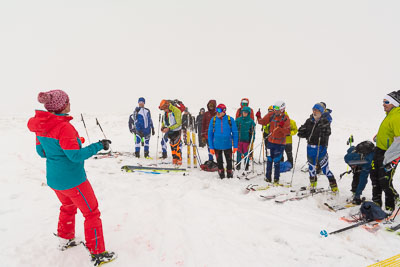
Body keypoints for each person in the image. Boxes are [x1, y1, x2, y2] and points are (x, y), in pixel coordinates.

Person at [27, 90, 116, 265]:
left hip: (54, 179)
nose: (70, 104)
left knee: (67, 206)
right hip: (73, 181)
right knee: (91, 213)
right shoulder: (64, 126)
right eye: (68, 101)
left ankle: (65, 238)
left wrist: (74, 143)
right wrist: (98, 145)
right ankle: (98, 252)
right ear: (61, 105)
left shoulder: (42, 126)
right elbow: (75, 156)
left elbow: (42, 151)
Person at [297, 102, 338, 193]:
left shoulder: (325, 121)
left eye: (317, 110)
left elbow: (328, 133)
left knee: (325, 169)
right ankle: (312, 185)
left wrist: (324, 130)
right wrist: (301, 132)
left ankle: (334, 187)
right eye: (313, 110)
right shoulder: (309, 120)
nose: (315, 112)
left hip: (320, 147)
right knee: (311, 167)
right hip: (310, 147)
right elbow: (305, 131)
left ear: (321, 112)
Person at [370, 91, 400, 211]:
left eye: (386, 102)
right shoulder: (390, 114)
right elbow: (390, 131)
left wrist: (391, 158)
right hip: (379, 150)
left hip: (389, 155)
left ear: (394, 103)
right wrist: (380, 136)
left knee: (385, 181)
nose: (383, 104)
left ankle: (390, 206)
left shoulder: (397, 116)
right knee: (375, 177)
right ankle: (376, 203)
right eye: (383, 102)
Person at [256, 101, 290, 184]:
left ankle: (276, 179)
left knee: (277, 161)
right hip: (270, 142)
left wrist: (281, 127)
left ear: (282, 109)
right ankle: (268, 178)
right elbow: (262, 122)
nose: (275, 110)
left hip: (280, 144)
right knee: (269, 159)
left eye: (277, 108)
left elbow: (287, 132)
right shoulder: (271, 115)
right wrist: (258, 117)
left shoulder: (285, 118)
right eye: (274, 108)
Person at [208, 104, 239, 178]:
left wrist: (235, 146)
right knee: (219, 161)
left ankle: (229, 173)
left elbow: (235, 133)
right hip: (217, 145)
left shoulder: (230, 120)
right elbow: (210, 134)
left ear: (224, 111)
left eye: (219, 110)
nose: (217, 112)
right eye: (216, 110)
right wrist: (211, 147)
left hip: (227, 144)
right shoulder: (214, 120)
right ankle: (221, 173)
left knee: (229, 161)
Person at [159, 99, 183, 165]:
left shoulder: (176, 111)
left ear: (167, 106)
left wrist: (169, 128)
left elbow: (178, 123)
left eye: (164, 109)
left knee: (176, 146)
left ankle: (179, 160)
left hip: (176, 131)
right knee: (172, 146)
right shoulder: (166, 113)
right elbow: (164, 121)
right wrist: (163, 127)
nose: (164, 111)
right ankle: (174, 160)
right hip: (170, 132)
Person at [235, 106, 256, 171]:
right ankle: (238, 164)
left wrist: (252, 140)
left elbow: (253, 132)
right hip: (239, 140)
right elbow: (234, 129)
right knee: (239, 153)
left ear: (248, 113)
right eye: (243, 112)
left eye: (246, 112)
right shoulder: (238, 120)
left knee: (246, 153)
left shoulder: (251, 121)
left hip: (247, 140)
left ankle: (246, 165)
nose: (244, 113)